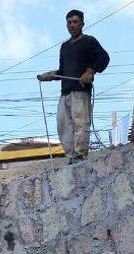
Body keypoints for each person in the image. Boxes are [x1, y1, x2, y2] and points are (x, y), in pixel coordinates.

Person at [37, 9, 110, 163]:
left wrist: (90, 71)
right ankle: (71, 156)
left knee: (80, 122)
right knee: (63, 125)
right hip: (65, 92)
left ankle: (80, 154)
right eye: (69, 22)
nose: (72, 25)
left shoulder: (89, 41)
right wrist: (50, 76)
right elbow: (62, 71)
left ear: (82, 23)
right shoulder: (65, 47)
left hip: (80, 90)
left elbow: (104, 57)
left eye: (75, 22)